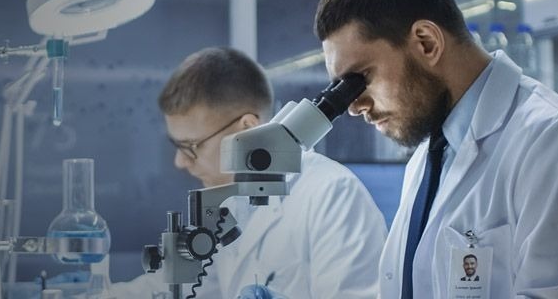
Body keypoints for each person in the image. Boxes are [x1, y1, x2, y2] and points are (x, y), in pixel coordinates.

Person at [315, 0, 558, 299]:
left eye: (360, 78)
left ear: (426, 43)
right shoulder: (428, 157)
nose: (353, 106)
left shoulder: (553, 141)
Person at [110, 47, 388, 298]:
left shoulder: (331, 194)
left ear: (246, 128)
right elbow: (181, 287)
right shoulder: (228, 203)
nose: (179, 162)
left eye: (191, 146)